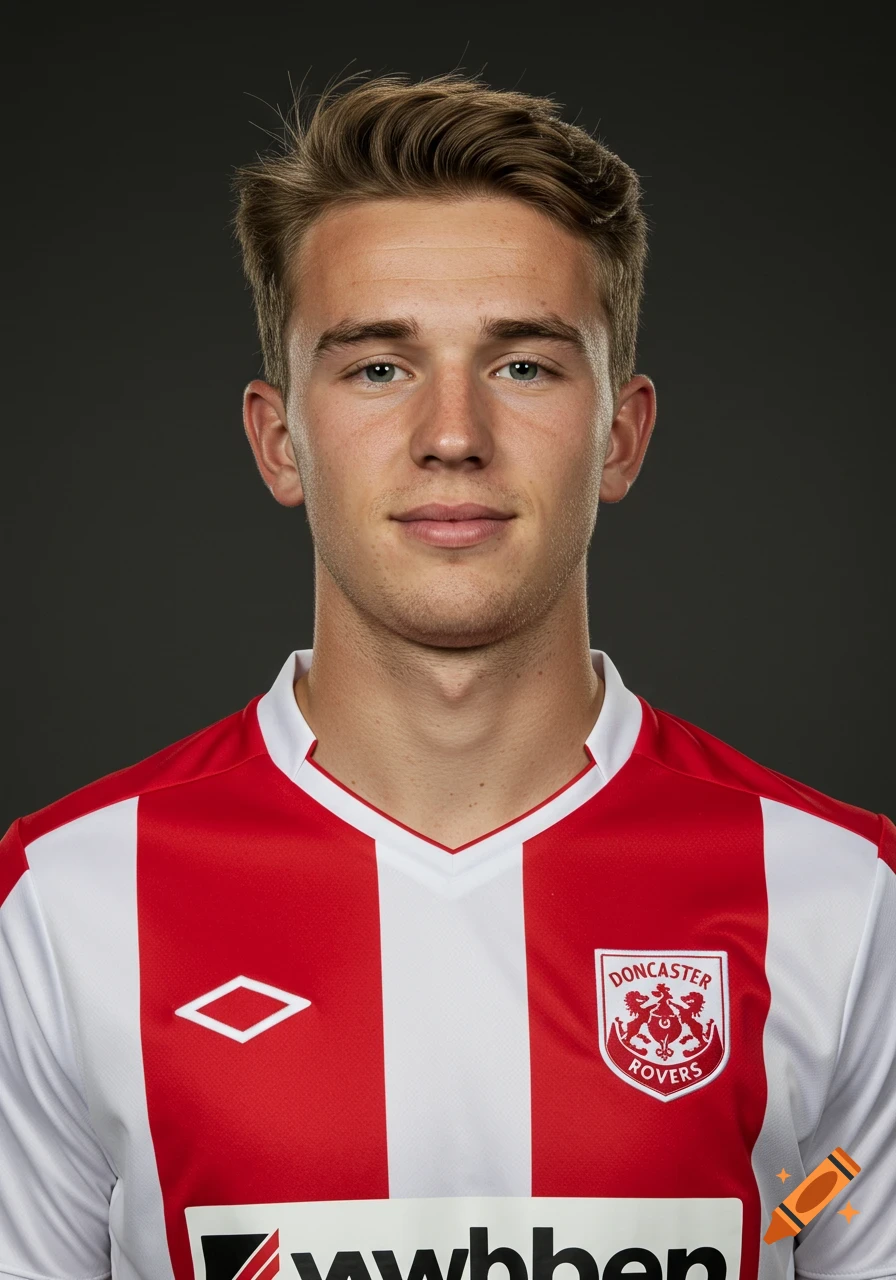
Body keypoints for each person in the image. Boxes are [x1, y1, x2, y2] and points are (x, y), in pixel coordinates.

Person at [0, 72, 893, 1280]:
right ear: (278, 440)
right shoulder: (66, 900)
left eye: (523, 365)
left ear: (620, 434)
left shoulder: (842, 897)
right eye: (377, 367)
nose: (453, 434)